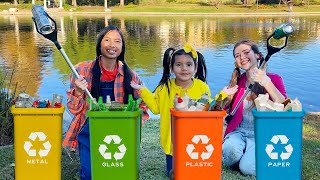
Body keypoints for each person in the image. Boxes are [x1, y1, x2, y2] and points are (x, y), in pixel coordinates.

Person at [130, 44, 238, 177]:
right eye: (179, 65)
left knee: (193, 168)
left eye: (188, 64)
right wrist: (142, 90)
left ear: (195, 67)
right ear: (172, 68)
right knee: (174, 173)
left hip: (194, 137)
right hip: (172, 138)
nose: (184, 69)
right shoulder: (165, 87)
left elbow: (207, 107)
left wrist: (221, 95)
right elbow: (156, 108)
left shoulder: (201, 87)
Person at [62, 25, 149, 180]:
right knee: (91, 175)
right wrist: (79, 92)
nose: (112, 45)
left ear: (122, 47)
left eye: (117, 41)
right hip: (89, 131)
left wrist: (133, 123)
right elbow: (73, 110)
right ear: (99, 44)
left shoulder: (130, 76)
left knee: (117, 174)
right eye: (107, 40)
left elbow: (143, 104)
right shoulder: (81, 70)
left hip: (120, 132)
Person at [222, 39, 287, 176]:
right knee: (230, 154)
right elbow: (224, 111)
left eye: (246, 52)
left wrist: (267, 83)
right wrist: (222, 97)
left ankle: (249, 155)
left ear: (258, 55)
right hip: (238, 132)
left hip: (262, 133)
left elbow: (286, 107)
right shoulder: (237, 81)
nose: (242, 57)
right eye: (237, 55)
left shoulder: (274, 79)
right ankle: (243, 152)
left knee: (247, 168)